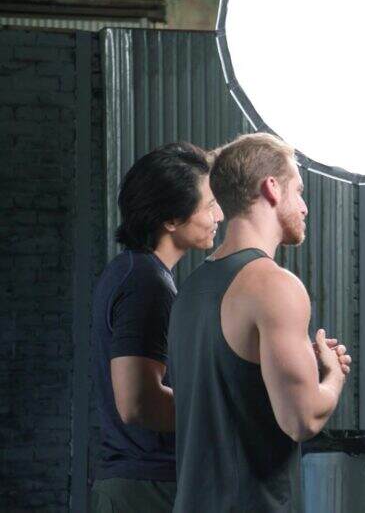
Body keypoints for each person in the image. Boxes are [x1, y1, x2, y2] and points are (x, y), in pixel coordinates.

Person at [168, 133, 352, 512]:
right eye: (298, 190)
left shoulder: (191, 289)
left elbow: (231, 390)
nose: (303, 207)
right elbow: (301, 420)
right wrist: (332, 375)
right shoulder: (274, 285)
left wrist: (295, 366)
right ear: (271, 188)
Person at [90, 143, 223, 512]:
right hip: (144, 490)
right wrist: (224, 413)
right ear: (170, 219)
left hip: (141, 484)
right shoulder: (146, 282)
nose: (220, 215)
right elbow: (138, 402)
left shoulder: (136, 272)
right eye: (210, 204)